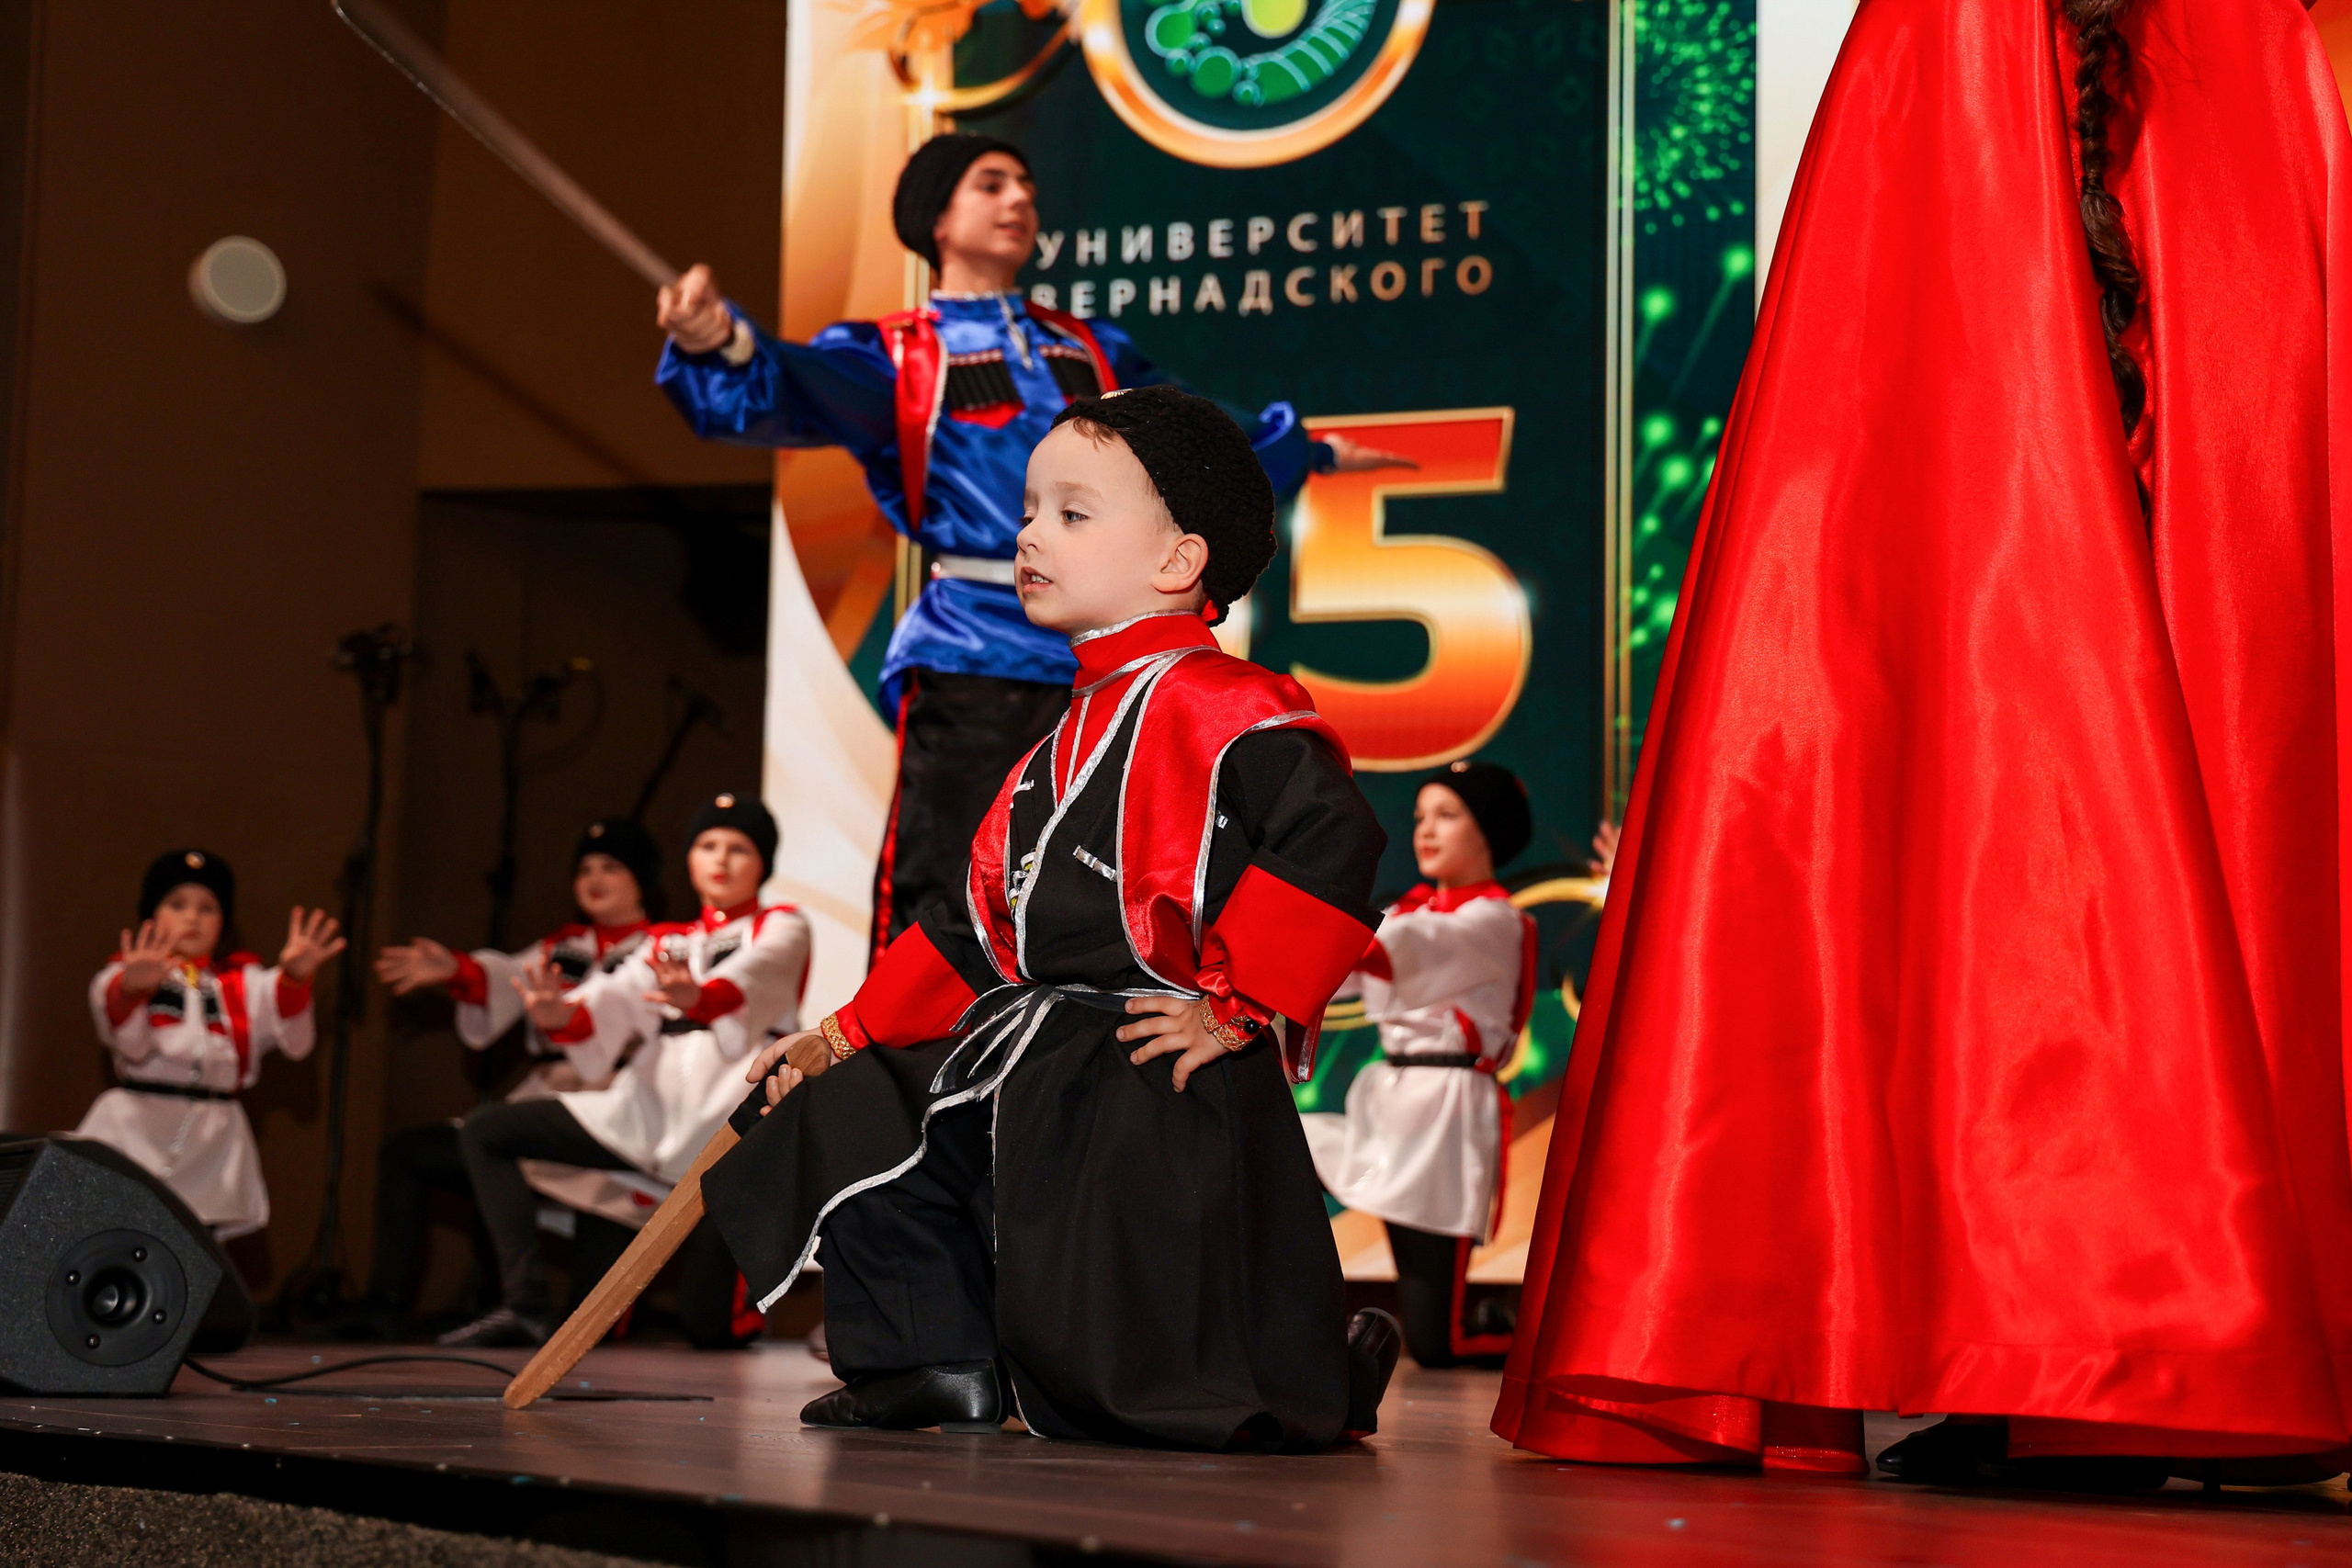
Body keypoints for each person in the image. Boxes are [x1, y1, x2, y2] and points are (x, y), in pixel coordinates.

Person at [1497, 0, 2352, 1487]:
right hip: (2053, 220)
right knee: (2003, 767)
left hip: (2166, 207)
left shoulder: (2233, 56)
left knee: (2135, 748)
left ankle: (2124, 1344)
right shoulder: (1975, 48)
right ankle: (2053, 1339)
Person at [702, 386, 1402, 1450]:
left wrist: (1239, 1003)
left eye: (1072, 514)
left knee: (1142, 1392)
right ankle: (930, 1362)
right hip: (1032, 1051)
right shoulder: (1061, 735)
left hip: (1146, 1057)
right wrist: (843, 1033)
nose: (1028, 534)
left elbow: (1335, 842)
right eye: (1030, 510)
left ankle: (1302, 1362)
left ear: (1178, 561)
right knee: (835, 1105)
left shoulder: (1229, 706)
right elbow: (972, 928)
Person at [654, 132, 1408, 958]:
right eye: (991, 184)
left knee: (1112, 870)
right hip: (977, 657)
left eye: (1027, 186)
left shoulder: (1089, 350)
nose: (1020, 200)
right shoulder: (900, 356)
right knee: (949, 881)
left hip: (1110, 659)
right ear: (936, 217)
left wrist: (1310, 450)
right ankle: (922, 1076)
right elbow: (793, 383)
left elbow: (1196, 450)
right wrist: (718, 342)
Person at [441, 795, 810, 1348]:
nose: (722, 860)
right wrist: (560, 1014)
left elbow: (759, 973)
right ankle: (526, 1303)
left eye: (740, 848)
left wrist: (698, 995)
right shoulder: (667, 940)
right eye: (708, 845)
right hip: (644, 1112)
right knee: (487, 1130)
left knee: (707, 1328)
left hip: (728, 1120)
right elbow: (610, 998)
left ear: (764, 862)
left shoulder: (784, 924)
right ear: (688, 859)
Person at [356, 817, 662, 1336]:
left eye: (611, 866)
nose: (594, 877)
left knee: (593, 1329)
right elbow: (503, 976)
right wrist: (456, 970)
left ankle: (550, 1314)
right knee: (413, 1152)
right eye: (584, 867)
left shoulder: (664, 947)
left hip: (616, 1113)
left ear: (643, 879)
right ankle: (388, 1305)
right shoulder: (563, 946)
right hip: (544, 1099)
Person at [1305, 760, 1537, 1370]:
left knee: (1436, 1341)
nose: (1425, 830)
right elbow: (1340, 972)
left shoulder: (1494, 921)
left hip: (1445, 1114)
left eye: (1447, 814)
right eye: (1419, 817)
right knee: (1289, 1140)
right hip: (1389, 1100)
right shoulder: (1410, 914)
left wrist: (1291, 910)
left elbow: (1383, 954)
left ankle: (1537, 1344)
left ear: (1486, 830)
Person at [78, 849, 345, 1242]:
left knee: (200, 1247)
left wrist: (294, 979)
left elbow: (295, 1041)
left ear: (224, 922)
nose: (192, 917)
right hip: (137, 1126)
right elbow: (129, 1042)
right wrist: (133, 989)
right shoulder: (124, 972)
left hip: (211, 1134)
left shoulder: (242, 983)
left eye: (208, 908)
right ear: (151, 915)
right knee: (118, 1234)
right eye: (177, 904)